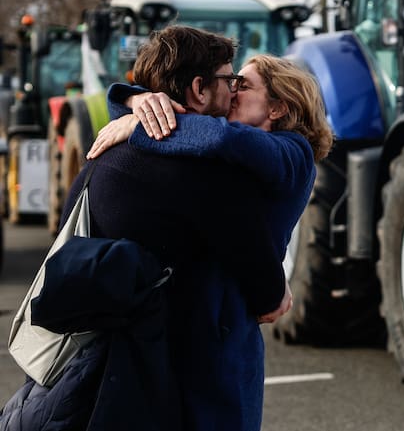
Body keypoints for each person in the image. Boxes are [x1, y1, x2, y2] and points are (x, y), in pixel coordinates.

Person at [10, 26, 291, 430]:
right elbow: (267, 292)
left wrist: (127, 102)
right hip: (170, 391)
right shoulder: (208, 176)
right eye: (229, 80)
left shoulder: (103, 155)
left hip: (83, 386)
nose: (234, 92)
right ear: (198, 89)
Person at [86, 36, 332, 431]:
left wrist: (137, 123)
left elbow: (217, 137)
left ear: (279, 107)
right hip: (202, 318)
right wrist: (134, 102)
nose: (232, 91)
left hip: (228, 328)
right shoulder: (237, 152)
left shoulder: (293, 154)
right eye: (231, 81)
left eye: (244, 85)